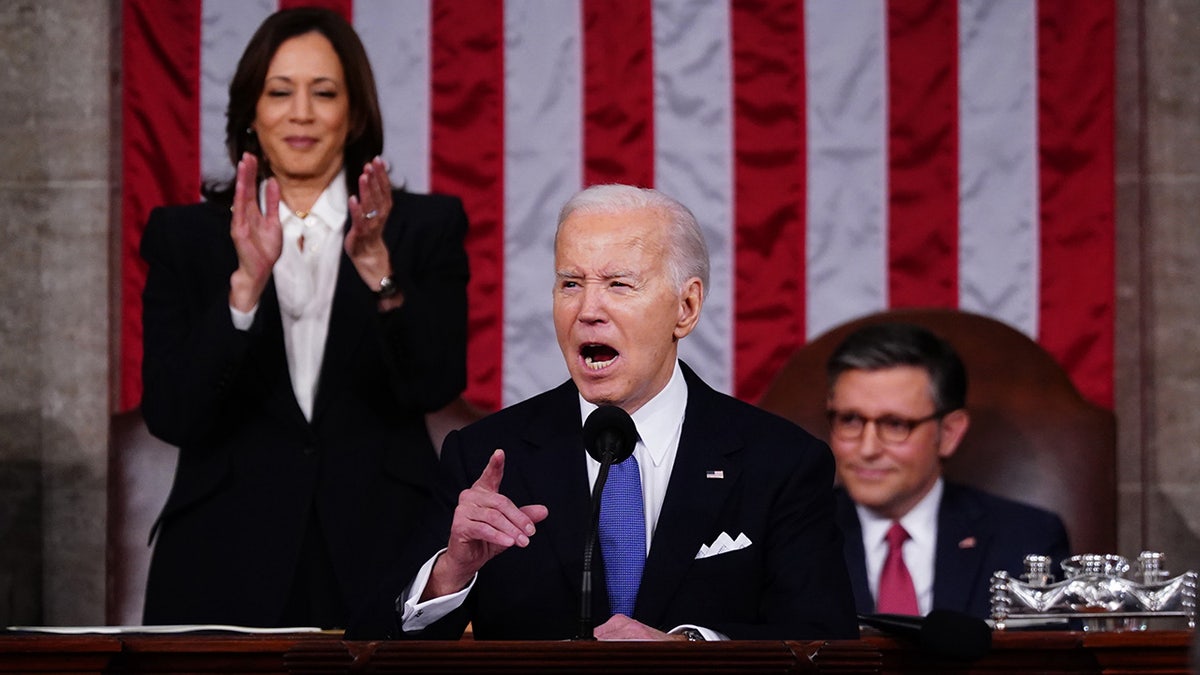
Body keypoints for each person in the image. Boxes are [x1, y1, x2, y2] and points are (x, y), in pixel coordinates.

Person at [349, 184, 858, 641]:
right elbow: (369, 646)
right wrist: (449, 572)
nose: (587, 309)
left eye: (618, 284)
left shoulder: (781, 463)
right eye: (570, 283)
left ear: (686, 308)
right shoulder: (486, 458)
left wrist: (691, 652)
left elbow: (825, 643)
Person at [139, 7, 469, 629]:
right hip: (222, 554)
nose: (301, 113)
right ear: (251, 112)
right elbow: (172, 413)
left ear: (355, 112)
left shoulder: (424, 228)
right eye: (279, 92)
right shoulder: (184, 237)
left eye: (324, 93)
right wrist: (244, 287)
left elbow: (435, 383)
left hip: (382, 547)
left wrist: (379, 271)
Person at [826, 322, 1070, 620]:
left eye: (895, 425)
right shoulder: (790, 536)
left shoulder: (1025, 539)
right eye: (850, 420)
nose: (867, 449)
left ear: (949, 433)